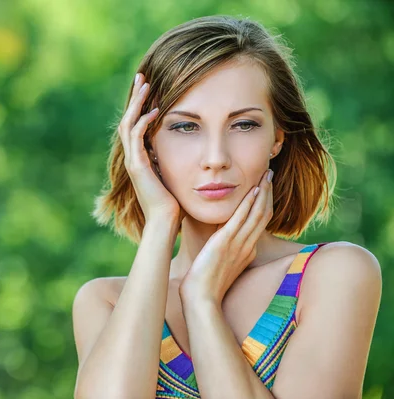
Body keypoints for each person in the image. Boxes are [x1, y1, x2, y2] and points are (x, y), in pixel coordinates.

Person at [71, 15, 382, 399]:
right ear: (146, 144)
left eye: (244, 125)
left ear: (277, 138)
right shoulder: (104, 302)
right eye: (186, 127)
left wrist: (202, 301)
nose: (215, 158)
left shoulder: (335, 274)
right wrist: (160, 223)